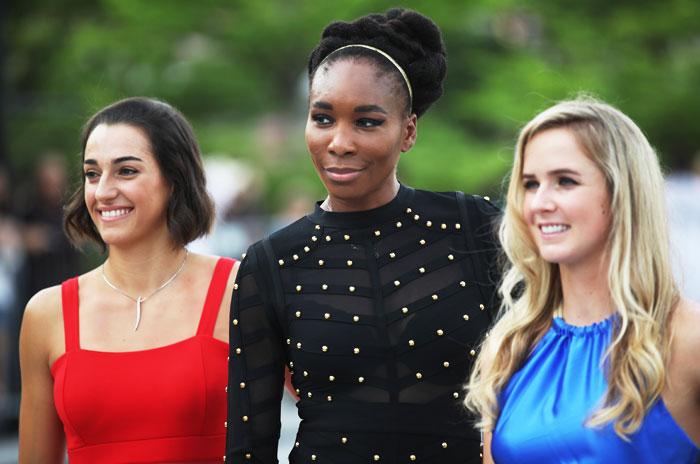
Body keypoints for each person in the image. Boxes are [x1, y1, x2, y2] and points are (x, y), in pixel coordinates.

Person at [225, 8, 500, 464]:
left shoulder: (474, 228)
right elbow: (248, 445)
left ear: (408, 130)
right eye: (323, 118)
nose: (340, 142)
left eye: (367, 122)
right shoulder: (270, 262)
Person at [465, 97, 700, 463]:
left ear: (622, 192)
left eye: (565, 181)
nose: (540, 202)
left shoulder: (685, 338)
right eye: (530, 184)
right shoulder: (512, 344)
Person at [18, 97, 238, 463]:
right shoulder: (46, 313)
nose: (102, 191)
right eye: (92, 173)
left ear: (174, 179)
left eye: (126, 171)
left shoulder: (240, 290)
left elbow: (332, 414)